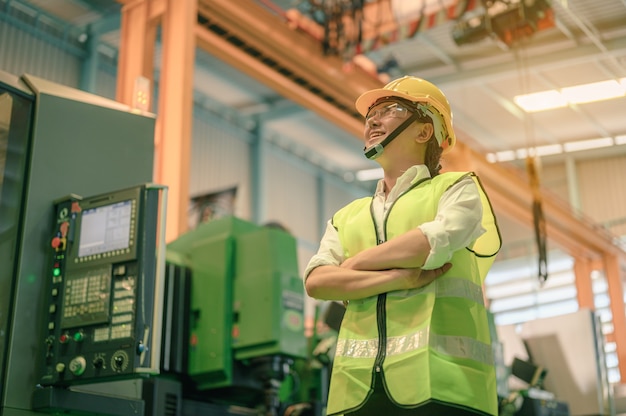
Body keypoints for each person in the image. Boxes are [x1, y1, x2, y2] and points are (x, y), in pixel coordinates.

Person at [303, 76, 501, 416]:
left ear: (424, 131)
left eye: (389, 110)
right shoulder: (348, 216)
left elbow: (428, 243)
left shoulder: (457, 189)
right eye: (370, 115)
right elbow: (317, 282)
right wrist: (399, 278)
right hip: (358, 391)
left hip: (445, 386)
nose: (373, 121)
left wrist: (352, 266)